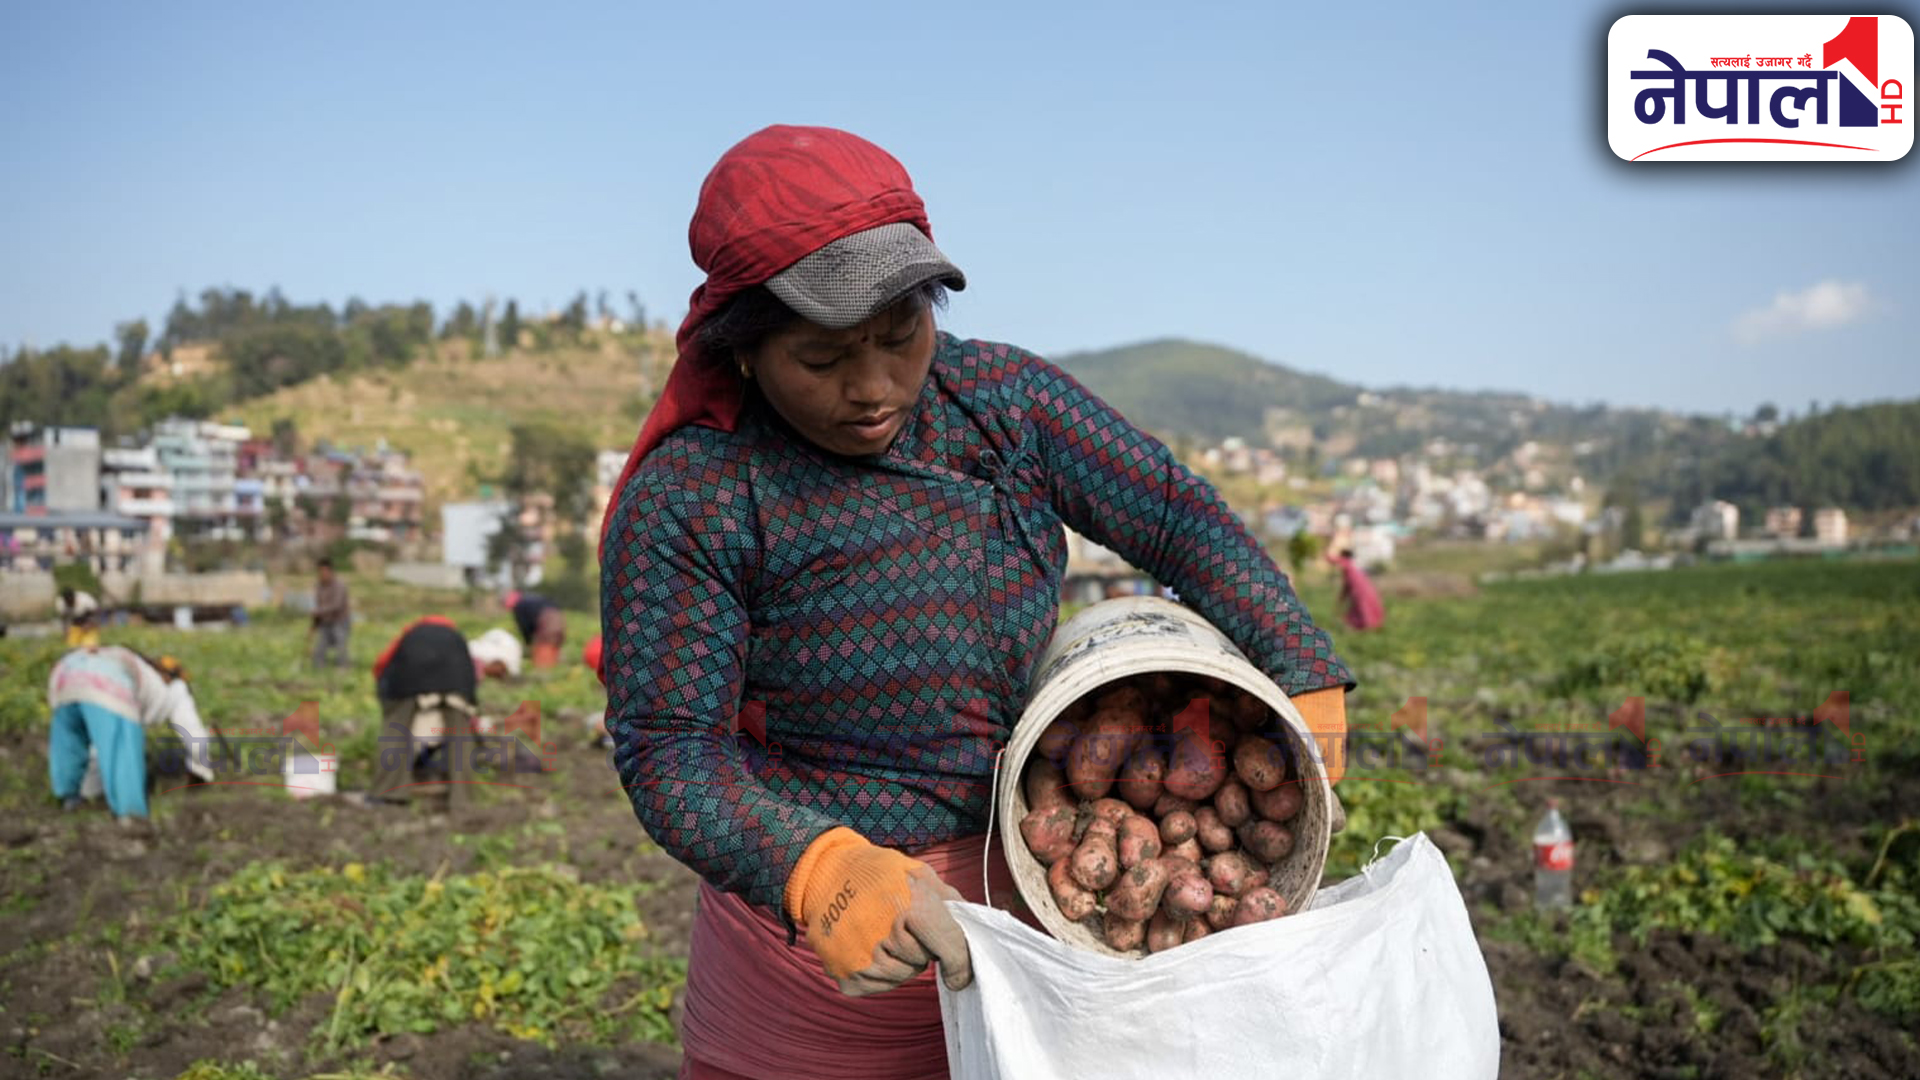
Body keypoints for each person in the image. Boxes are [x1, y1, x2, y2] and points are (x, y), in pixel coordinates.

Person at [598, 125, 1357, 1080]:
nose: (874, 388)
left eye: (899, 337)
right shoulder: (699, 493)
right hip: (825, 957)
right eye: (823, 361)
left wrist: (1301, 661)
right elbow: (671, 744)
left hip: (1039, 920)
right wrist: (813, 866)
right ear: (744, 352)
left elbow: (1173, 516)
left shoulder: (1002, 406)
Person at [47, 646, 215, 821]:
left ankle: (70, 796)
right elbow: (195, 737)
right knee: (122, 748)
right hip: (108, 682)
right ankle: (131, 815)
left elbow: (100, 742)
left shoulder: (136, 664)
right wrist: (201, 772)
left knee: (71, 741)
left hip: (66, 672)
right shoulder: (176, 689)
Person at [1327, 547, 1385, 631]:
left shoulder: (1347, 563)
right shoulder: (1351, 566)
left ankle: (1365, 627)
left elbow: (1330, 558)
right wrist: (1341, 598)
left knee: (1362, 609)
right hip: (1365, 589)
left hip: (1360, 591)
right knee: (1362, 609)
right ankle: (1366, 627)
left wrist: (1332, 545)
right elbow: (1347, 586)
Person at [505, 590, 566, 668]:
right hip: (559, 617)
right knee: (554, 646)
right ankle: (559, 669)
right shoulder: (532, 599)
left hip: (546, 622)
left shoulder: (519, 606)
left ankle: (545, 672)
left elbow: (525, 626)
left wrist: (528, 642)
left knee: (543, 649)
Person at [311, 558, 351, 669]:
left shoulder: (340, 585)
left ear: (331, 571)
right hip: (326, 622)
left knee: (340, 645)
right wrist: (316, 622)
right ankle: (319, 669)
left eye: (325, 571)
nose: (323, 574)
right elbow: (318, 604)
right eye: (320, 572)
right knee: (320, 647)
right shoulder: (319, 586)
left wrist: (319, 611)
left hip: (340, 621)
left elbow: (337, 605)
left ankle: (344, 668)